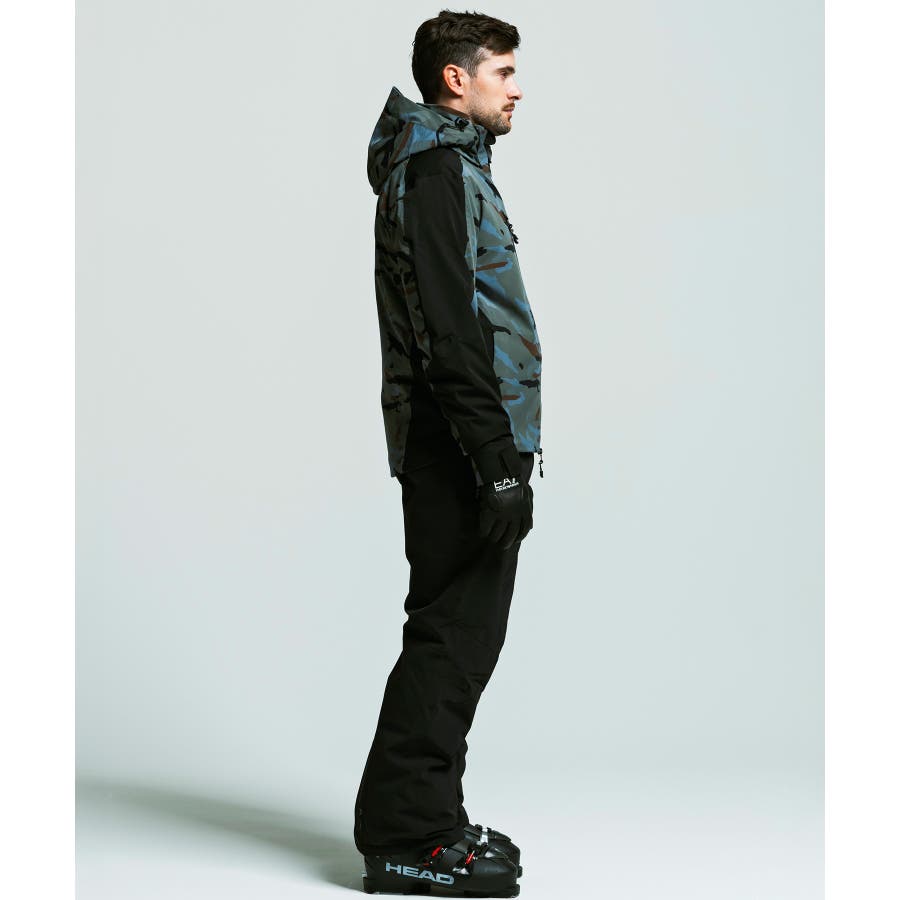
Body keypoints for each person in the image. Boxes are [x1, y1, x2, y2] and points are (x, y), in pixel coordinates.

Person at [354, 10, 543, 897]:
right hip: (458, 443)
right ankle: (408, 836)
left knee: (455, 633)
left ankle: (423, 816)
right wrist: (496, 458)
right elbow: (450, 329)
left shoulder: (449, 165)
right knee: (453, 638)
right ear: (455, 79)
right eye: (503, 71)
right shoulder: (435, 171)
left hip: (461, 439)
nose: (518, 88)